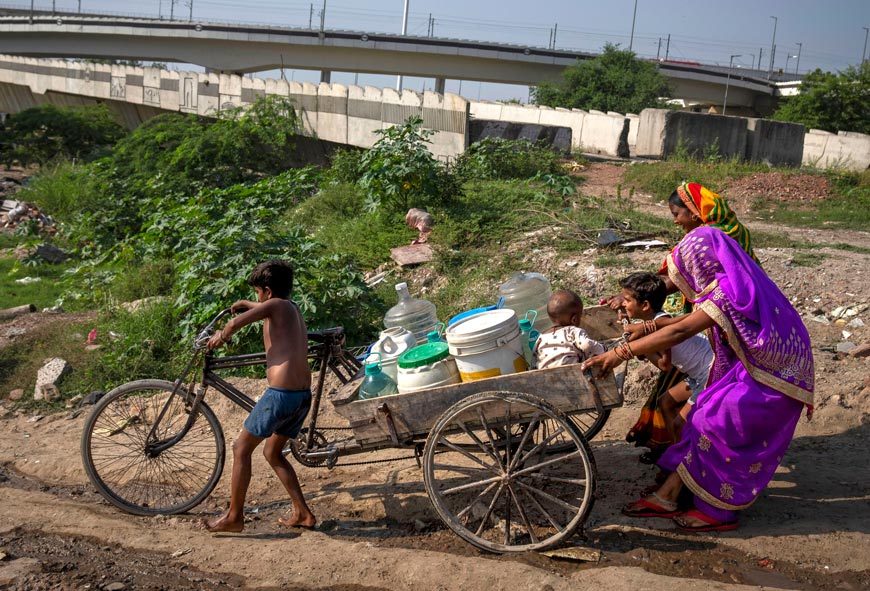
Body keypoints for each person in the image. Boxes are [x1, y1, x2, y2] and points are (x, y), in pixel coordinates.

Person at [583, 226, 814, 532]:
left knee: (714, 422)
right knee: (701, 415)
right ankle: (672, 494)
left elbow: (682, 330)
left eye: (688, 271)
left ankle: (717, 511)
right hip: (758, 368)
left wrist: (619, 353)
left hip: (775, 377)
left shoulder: (728, 291)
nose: (687, 282)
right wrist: (649, 331)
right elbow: (687, 320)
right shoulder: (732, 283)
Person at [204, 260, 316, 533]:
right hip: (300, 395)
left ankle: (234, 516)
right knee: (273, 452)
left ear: (266, 291)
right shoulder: (289, 307)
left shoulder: (275, 307)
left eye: (257, 293)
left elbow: (234, 323)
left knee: (241, 448)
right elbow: (265, 309)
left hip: (281, 395)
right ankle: (303, 513)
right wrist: (248, 301)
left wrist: (221, 336)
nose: (257, 299)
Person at [619, 272, 713, 447]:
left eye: (627, 300)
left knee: (679, 423)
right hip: (699, 372)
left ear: (645, 305)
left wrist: (642, 347)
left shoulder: (659, 325)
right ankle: (678, 451)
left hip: (709, 373)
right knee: (665, 401)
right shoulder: (658, 320)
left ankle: (682, 461)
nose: (623, 303)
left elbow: (665, 364)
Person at [534, 289, 605, 370]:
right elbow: (587, 345)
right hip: (571, 374)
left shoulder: (542, 337)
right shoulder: (573, 331)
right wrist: (603, 349)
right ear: (574, 319)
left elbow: (534, 358)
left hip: (545, 377)